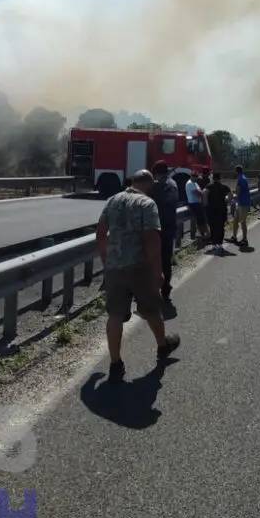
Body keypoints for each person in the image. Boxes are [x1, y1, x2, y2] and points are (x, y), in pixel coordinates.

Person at [96, 170, 181, 382]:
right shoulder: (147, 203)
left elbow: (100, 234)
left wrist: (107, 262)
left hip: (115, 267)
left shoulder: (112, 200)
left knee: (115, 315)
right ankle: (162, 346)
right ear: (150, 185)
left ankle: (115, 364)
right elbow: (151, 239)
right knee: (151, 309)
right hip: (139, 266)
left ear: (132, 182)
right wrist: (158, 271)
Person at [148, 161, 180, 302]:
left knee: (153, 259)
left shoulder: (158, 186)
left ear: (156, 173)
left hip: (158, 228)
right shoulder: (173, 184)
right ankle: (165, 287)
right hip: (169, 227)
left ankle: (154, 289)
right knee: (165, 260)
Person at [205, 171, 231, 250]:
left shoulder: (209, 186)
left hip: (211, 210)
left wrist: (206, 204)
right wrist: (227, 201)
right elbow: (231, 195)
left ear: (213, 178)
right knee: (220, 227)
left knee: (212, 226)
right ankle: (219, 244)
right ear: (220, 178)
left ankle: (213, 244)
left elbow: (204, 193)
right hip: (222, 210)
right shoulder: (224, 187)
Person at [184, 169, 207, 241]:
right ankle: (202, 235)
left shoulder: (195, 183)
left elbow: (200, 192)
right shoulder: (190, 183)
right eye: (194, 176)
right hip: (193, 203)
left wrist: (201, 192)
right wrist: (201, 192)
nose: (196, 178)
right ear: (191, 176)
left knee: (202, 219)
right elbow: (199, 193)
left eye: (196, 176)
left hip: (197, 203)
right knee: (200, 220)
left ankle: (204, 234)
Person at [230, 165, 251, 245]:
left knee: (242, 222)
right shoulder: (244, 177)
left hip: (243, 203)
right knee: (235, 220)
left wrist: (233, 198)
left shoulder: (240, 179)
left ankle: (245, 239)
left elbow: (238, 191)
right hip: (242, 203)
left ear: (236, 171)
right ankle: (234, 237)